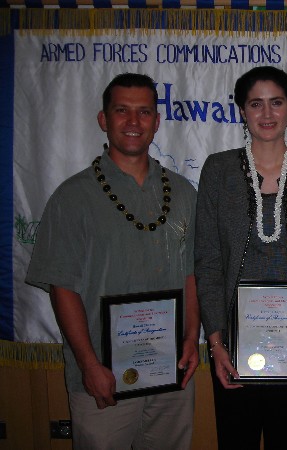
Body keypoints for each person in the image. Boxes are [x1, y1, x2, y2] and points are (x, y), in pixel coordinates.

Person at [25, 73, 199, 450]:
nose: (133, 122)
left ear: (156, 122)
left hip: (172, 373)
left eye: (144, 112)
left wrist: (190, 338)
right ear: (104, 120)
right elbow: (62, 286)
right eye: (122, 111)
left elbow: (191, 274)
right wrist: (89, 365)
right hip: (104, 376)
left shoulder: (183, 193)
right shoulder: (72, 197)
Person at [194, 66, 287, 450]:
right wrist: (215, 342)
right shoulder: (218, 169)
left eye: (276, 102)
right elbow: (207, 260)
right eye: (256, 103)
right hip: (232, 340)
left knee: (286, 440)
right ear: (242, 110)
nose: (267, 113)